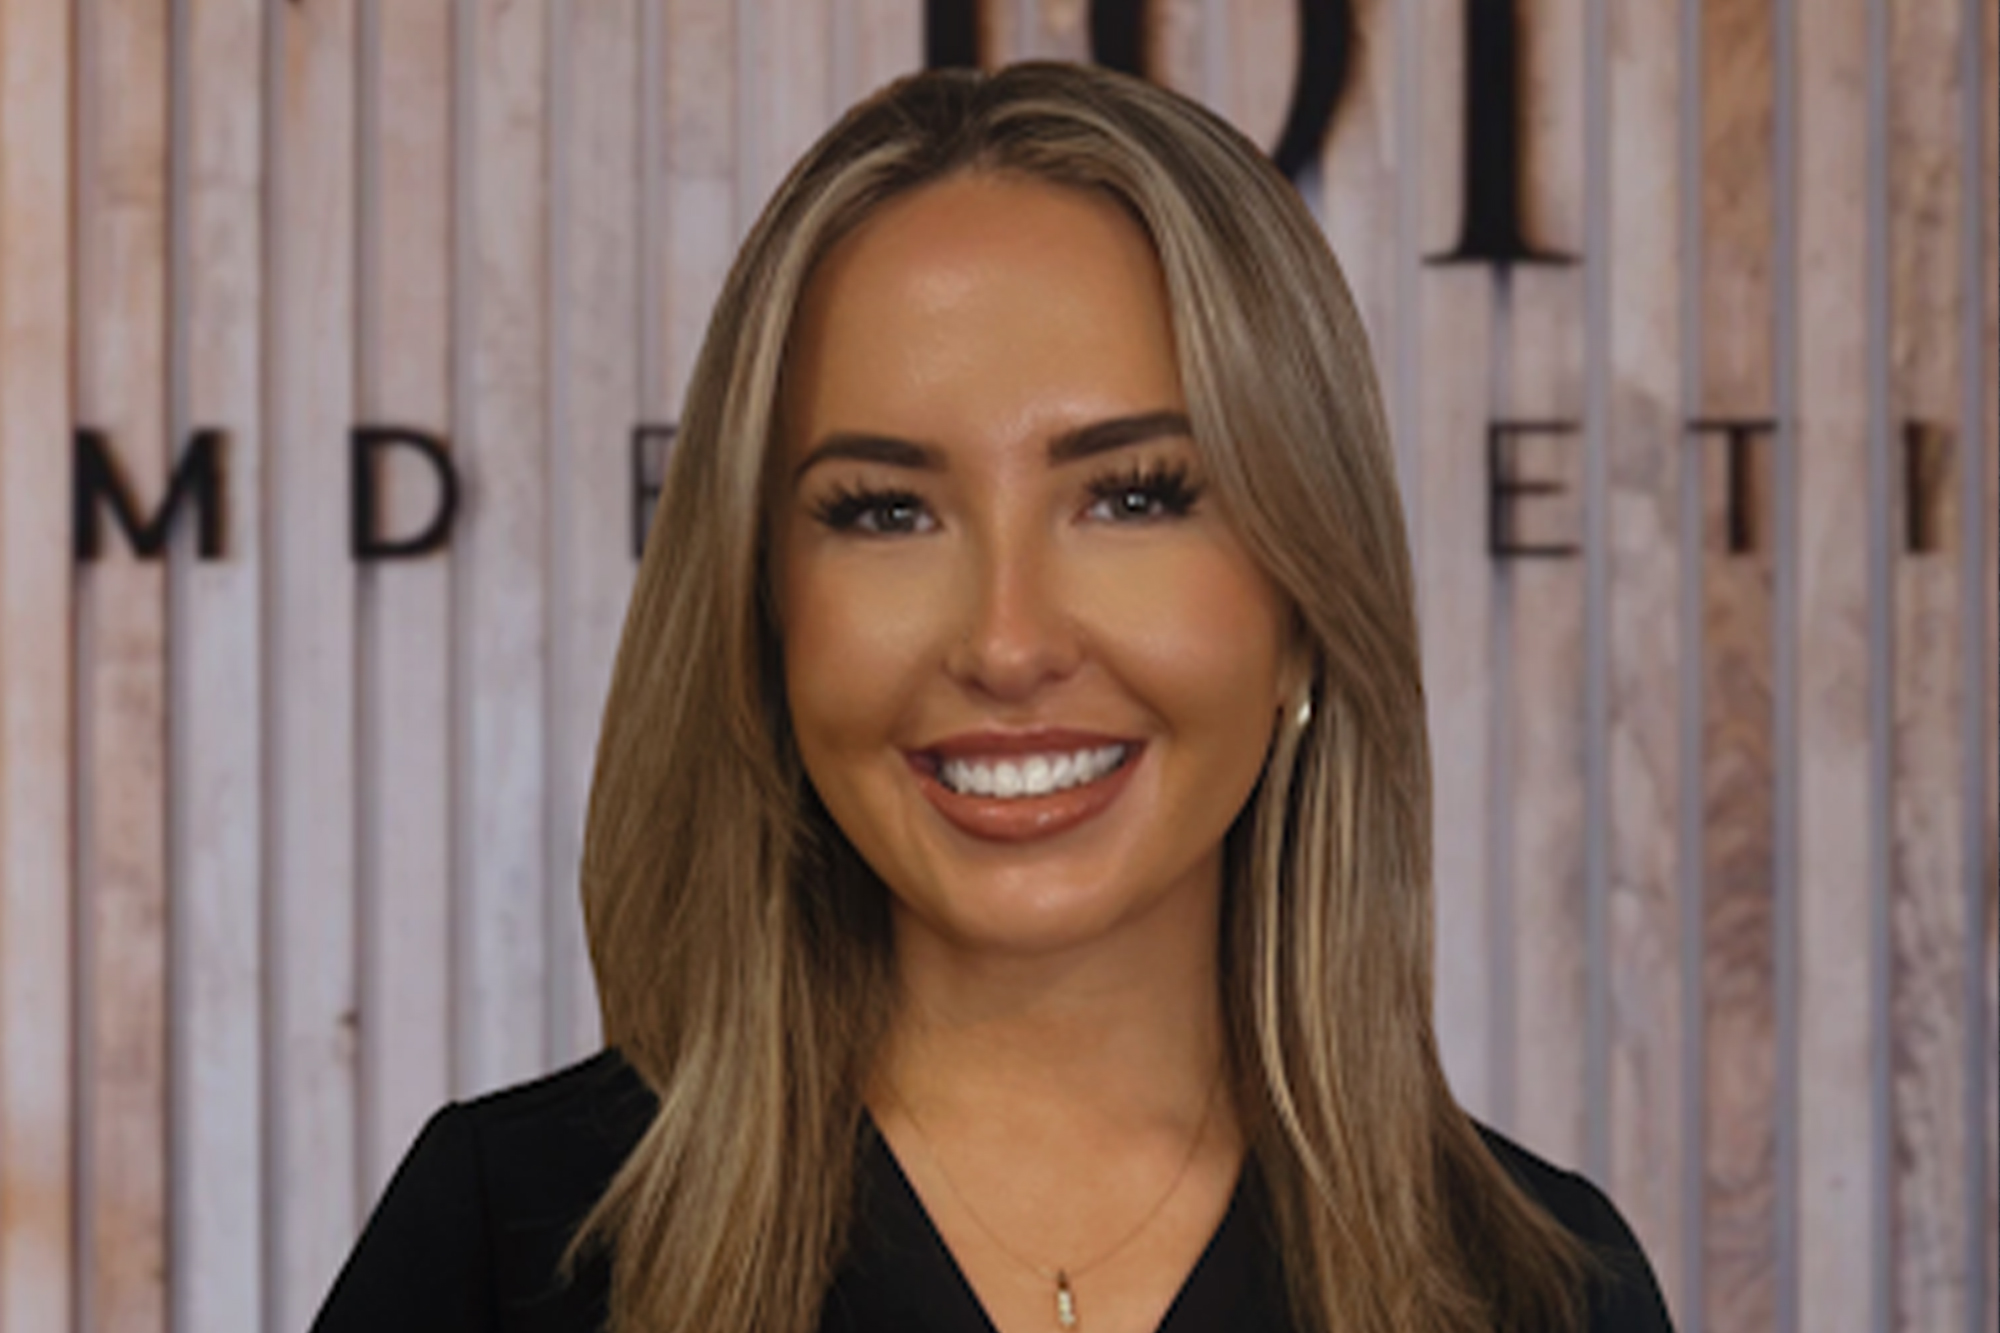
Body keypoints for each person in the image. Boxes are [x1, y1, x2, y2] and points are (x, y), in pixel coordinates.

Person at [311, 62, 1673, 1333]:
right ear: (765, 607)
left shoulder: (1542, 1286)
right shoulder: (507, 1243)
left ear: (1305, 607)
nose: (1008, 641)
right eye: (888, 509)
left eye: (1133, 495)